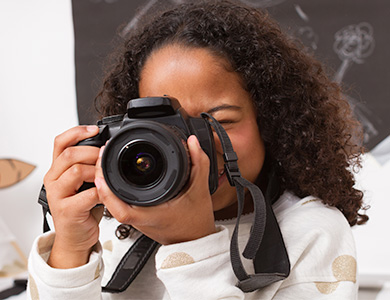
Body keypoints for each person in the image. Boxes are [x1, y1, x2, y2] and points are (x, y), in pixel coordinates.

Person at [27, 1, 368, 299]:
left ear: (271, 120)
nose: (194, 148)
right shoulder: (121, 219)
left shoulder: (312, 232)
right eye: (167, 128)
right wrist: (71, 249)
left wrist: (190, 241)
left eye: (218, 121)